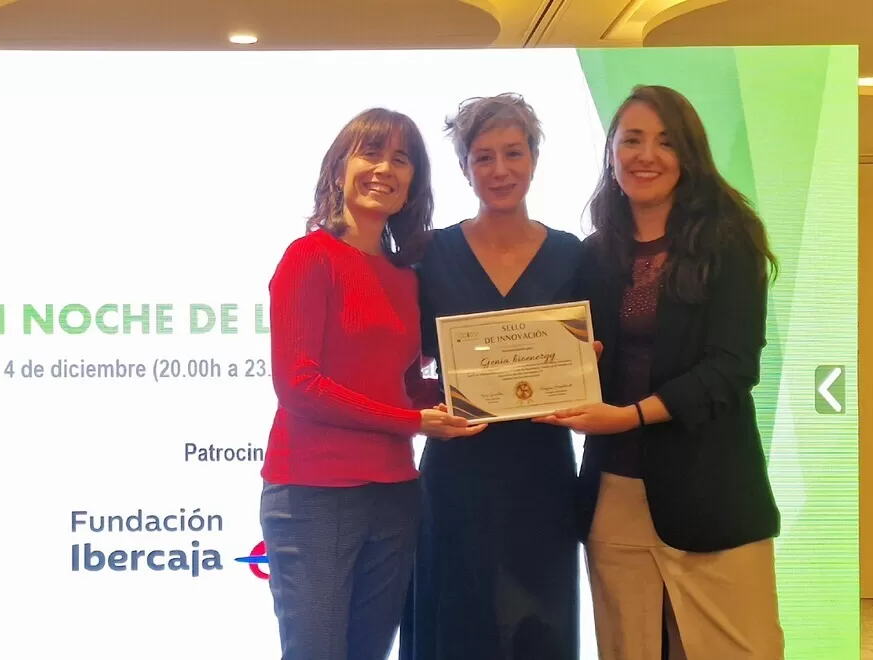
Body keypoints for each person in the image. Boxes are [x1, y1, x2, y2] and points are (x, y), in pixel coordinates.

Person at [537, 85, 785, 659]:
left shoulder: (729, 241)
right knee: (630, 648)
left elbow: (732, 367)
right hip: (614, 495)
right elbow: (575, 358)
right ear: (612, 153)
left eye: (666, 142)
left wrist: (631, 416)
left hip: (713, 492)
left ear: (689, 155)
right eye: (632, 140)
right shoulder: (595, 254)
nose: (646, 155)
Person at [260, 107, 486, 660]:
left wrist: (495, 389)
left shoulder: (405, 278)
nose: (385, 168)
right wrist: (412, 422)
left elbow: (405, 386)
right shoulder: (309, 257)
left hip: (394, 493)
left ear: (413, 183)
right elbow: (298, 385)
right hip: (314, 494)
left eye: (401, 159)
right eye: (371, 153)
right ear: (340, 167)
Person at [399, 93, 583, 660]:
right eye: (483, 157)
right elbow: (405, 364)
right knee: (455, 625)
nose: (500, 170)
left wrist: (588, 363)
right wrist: (423, 409)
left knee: (541, 629)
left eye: (513, 153)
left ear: (534, 159)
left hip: (542, 474)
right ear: (464, 168)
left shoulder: (573, 254)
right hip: (457, 474)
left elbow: (595, 359)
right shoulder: (431, 253)